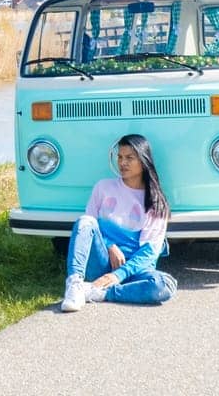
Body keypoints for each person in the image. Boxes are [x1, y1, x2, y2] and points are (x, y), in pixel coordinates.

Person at [59, 133, 178, 311]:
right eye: (120, 157)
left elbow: (149, 253)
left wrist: (117, 276)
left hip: (134, 270)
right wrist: (109, 245)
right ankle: (75, 285)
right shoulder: (103, 187)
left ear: (143, 161)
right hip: (101, 262)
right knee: (84, 221)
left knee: (165, 285)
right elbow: (88, 228)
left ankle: (98, 293)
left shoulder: (156, 202)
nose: (123, 163)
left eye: (130, 158)